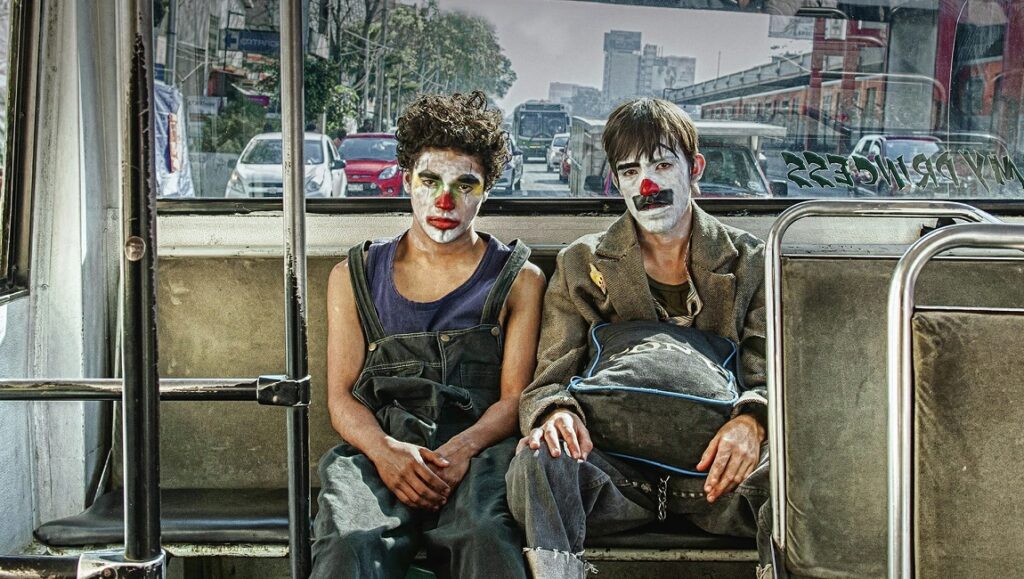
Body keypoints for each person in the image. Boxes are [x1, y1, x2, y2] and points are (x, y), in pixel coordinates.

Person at [506, 98, 771, 578]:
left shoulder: (752, 263)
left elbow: (769, 372)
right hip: (615, 478)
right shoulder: (579, 265)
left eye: (663, 164)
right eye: (630, 171)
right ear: (616, 181)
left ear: (696, 170)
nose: (646, 185)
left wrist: (752, 421)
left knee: (795, 474)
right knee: (536, 462)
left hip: (718, 478)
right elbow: (549, 378)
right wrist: (557, 413)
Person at [312, 91, 545, 579]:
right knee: (351, 542)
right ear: (405, 180)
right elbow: (340, 399)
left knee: (484, 536)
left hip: (480, 455)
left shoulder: (520, 280)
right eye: (430, 180)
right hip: (379, 449)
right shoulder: (352, 275)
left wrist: (460, 451)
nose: (445, 200)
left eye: (465, 184)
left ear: (486, 189)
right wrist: (385, 453)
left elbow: (513, 401)